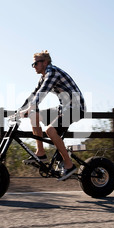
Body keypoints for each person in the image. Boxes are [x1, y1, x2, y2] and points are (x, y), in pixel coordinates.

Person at [19, 51, 86, 181]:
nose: (34, 66)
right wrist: (20, 110)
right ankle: (41, 153)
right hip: (64, 108)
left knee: (50, 130)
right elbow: (34, 94)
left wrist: (30, 107)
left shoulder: (52, 73)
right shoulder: (44, 77)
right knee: (34, 116)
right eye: (33, 64)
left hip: (76, 108)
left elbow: (41, 93)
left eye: (36, 63)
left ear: (45, 62)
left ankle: (69, 165)